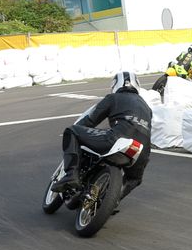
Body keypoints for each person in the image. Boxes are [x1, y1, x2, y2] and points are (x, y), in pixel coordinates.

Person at [52, 71, 152, 201]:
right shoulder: (147, 107)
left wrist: (78, 129)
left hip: (118, 137)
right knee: (134, 179)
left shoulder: (113, 98)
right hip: (143, 152)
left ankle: (72, 174)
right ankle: (113, 201)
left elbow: (90, 121)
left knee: (72, 131)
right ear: (137, 85)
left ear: (115, 85)